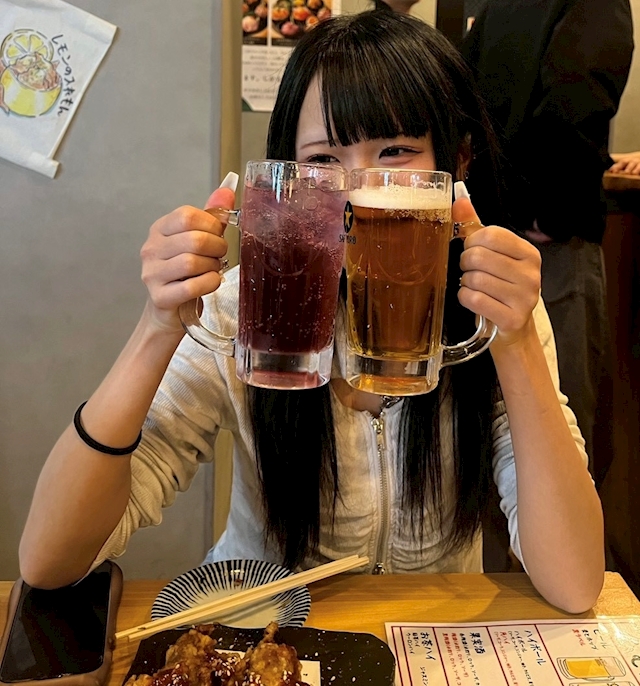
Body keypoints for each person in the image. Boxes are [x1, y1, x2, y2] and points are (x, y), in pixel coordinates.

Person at [19, 12, 604, 613]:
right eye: (323, 160)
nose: (354, 189)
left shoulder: (491, 313)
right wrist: (156, 326)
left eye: (395, 151)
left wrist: (514, 342)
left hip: (422, 636)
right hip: (263, 635)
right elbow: (51, 561)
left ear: (457, 162)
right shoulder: (244, 310)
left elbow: (575, 582)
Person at [462, 0, 634, 491]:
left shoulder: (498, 5)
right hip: (549, 246)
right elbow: (574, 104)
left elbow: (461, 91)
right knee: (561, 431)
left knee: (489, 436)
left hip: (484, 241)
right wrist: (551, 214)